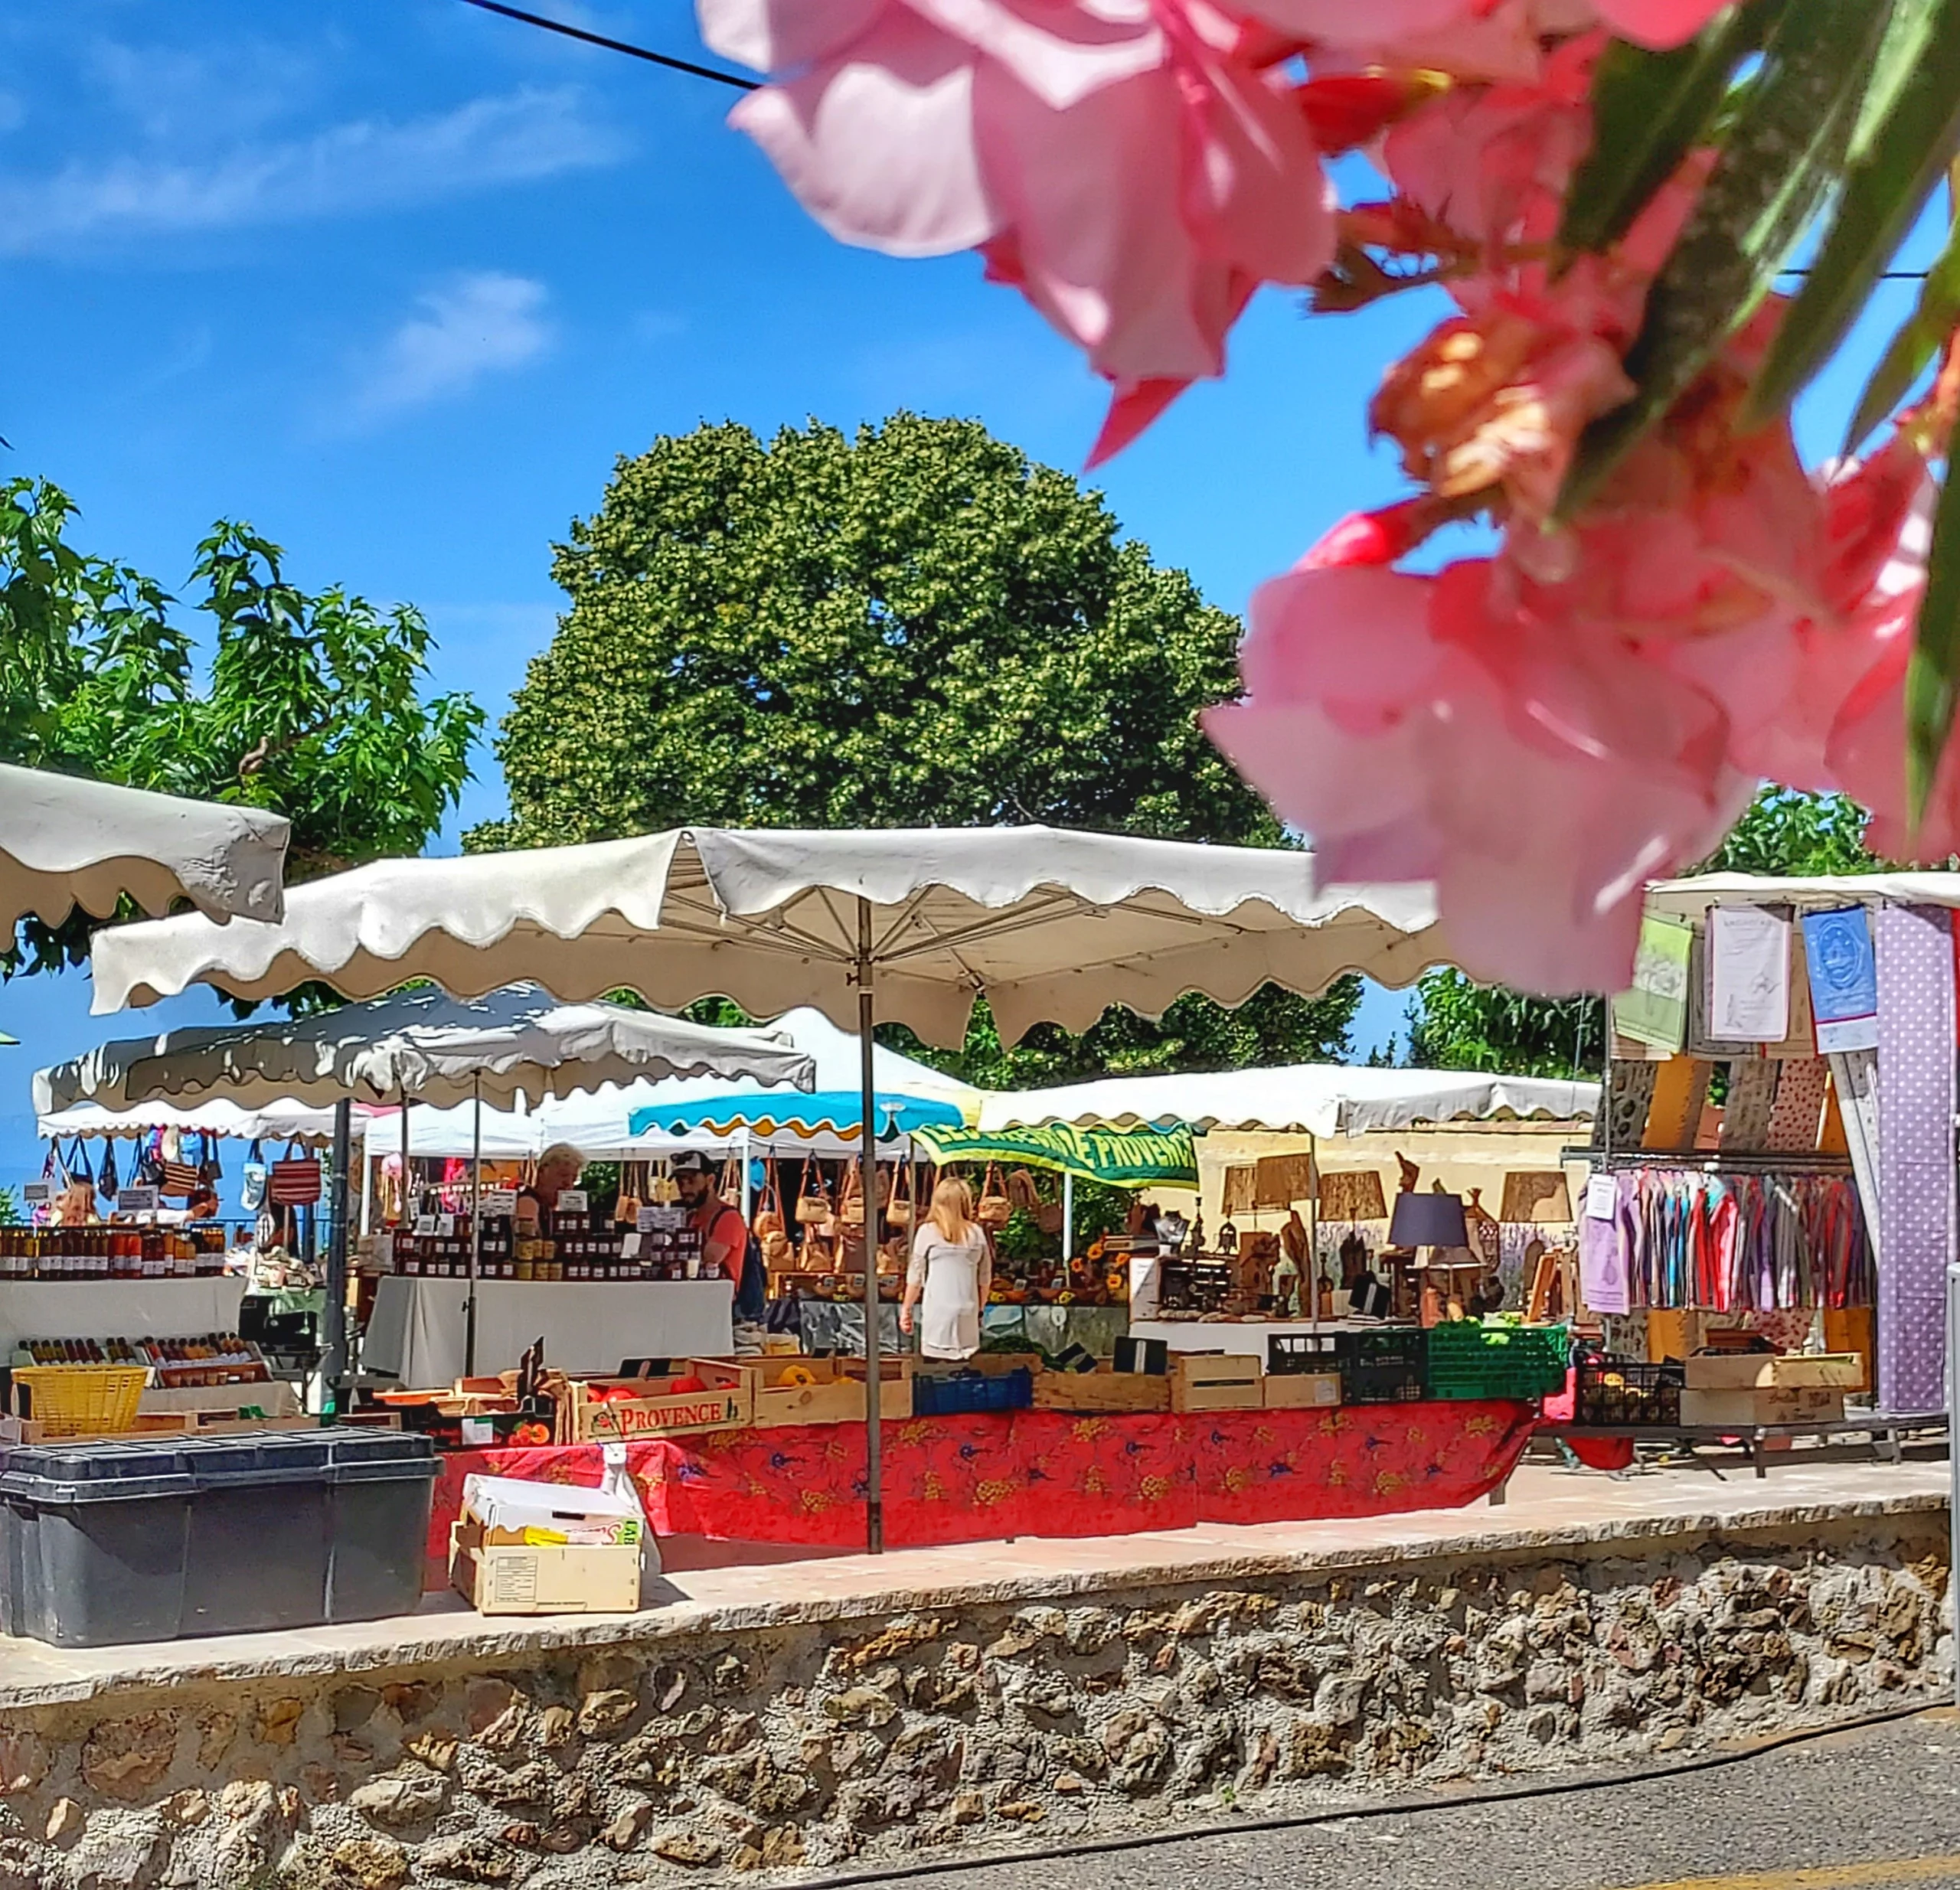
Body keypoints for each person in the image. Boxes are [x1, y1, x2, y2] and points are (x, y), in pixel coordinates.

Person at [901, 1177, 991, 1361]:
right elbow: (985, 1278)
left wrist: (906, 1309)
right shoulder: (976, 1233)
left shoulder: (927, 1232)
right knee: (966, 1366)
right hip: (968, 1310)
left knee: (935, 1367)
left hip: (938, 1311)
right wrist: (980, 1310)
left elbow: (915, 1276)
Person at [669, 1151, 761, 1315]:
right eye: (680, 1181)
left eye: (691, 1180)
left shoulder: (728, 1218)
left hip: (723, 1309)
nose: (685, 1188)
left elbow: (709, 1260)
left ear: (710, 1180)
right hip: (695, 1303)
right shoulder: (691, 1218)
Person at [517, 1143, 585, 1236]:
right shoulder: (528, 1202)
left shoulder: (552, 1209)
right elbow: (527, 1240)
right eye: (563, 1175)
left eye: (574, 1179)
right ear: (542, 1172)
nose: (568, 1184)